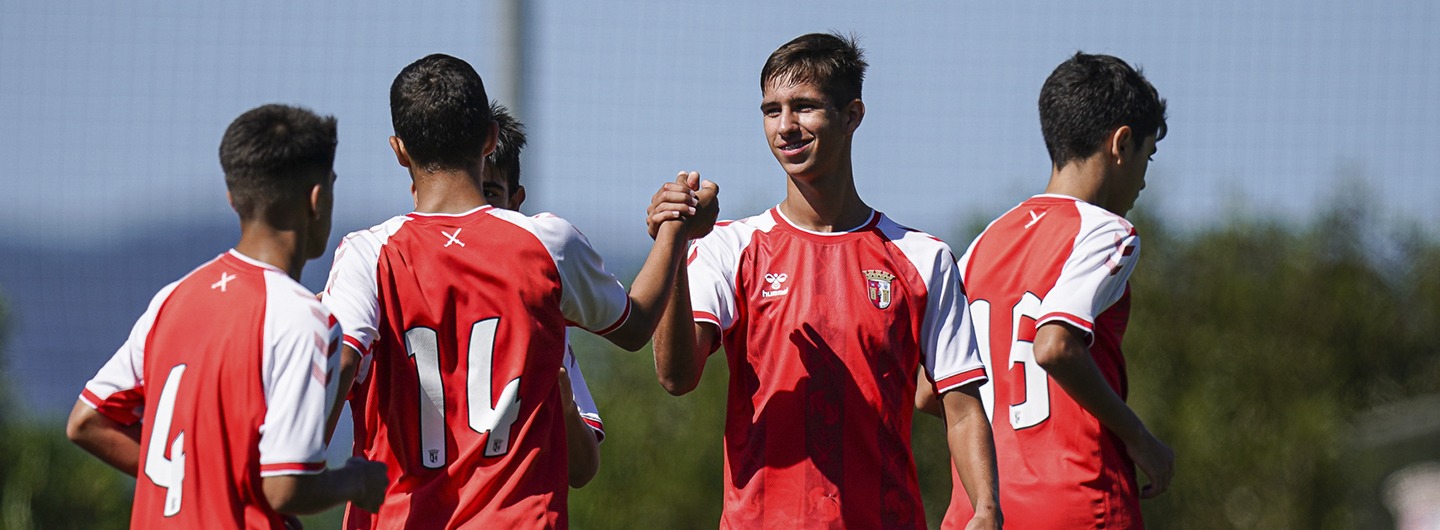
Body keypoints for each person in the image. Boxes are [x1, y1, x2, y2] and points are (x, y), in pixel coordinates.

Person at [322, 54, 711, 528]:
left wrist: (293, 464)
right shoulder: (545, 242)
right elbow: (635, 326)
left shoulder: (367, 254)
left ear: (399, 150)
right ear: (490, 138)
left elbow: (336, 362)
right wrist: (674, 232)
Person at [651, 33, 1001, 529]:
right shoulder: (729, 247)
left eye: (805, 107)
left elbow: (962, 409)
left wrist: (987, 508)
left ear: (853, 115)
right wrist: (676, 243)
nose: (786, 127)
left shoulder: (923, 258)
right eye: (772, 110)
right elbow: (675, 376)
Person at [65, 104, 388, 529]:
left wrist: (198, 482)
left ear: (233, 197)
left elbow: (89, 422)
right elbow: (285, 488)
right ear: (317, 199)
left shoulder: (173, 300)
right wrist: (357, 480)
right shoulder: (304, 319)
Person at [932, 52, 1175, 529]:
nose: (1145, 179)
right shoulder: (1107, 232)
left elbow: (927, 390)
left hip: (979, 511)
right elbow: (1055, 346)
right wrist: (1141, 440)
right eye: (1148, 155)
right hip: (1078, 504)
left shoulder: (982, 243)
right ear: (1121, 144)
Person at [480, 100, 604, 488]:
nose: (478, 212)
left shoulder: (537, 309)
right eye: (465, 194)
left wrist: (566, 410)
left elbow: (581, 469)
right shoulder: (382, 265)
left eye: (490, 194)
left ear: (516, 202)